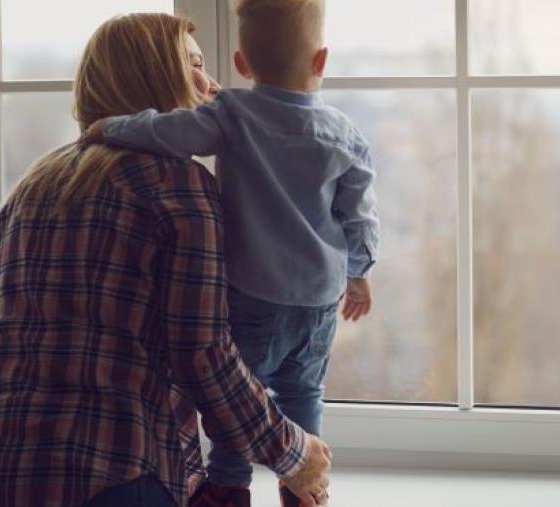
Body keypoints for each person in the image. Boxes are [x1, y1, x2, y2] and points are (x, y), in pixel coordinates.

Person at [0, 13, 331, 507]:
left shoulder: (35, 185)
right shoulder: (178, 185)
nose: (213, 86)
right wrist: (295, 453)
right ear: (155, 79)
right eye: (193, 65)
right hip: (108, 472)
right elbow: (203, 354)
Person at [81, 0, 380, 504]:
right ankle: (302, 488)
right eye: (194, 64)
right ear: (321, 61)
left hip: (255, 295)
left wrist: (108, 127)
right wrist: (360, 271)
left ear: (241, 63)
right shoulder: (345, 134)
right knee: (304, 393)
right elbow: (360, 214)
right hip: (319, 302)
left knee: (239, 392)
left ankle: (228, 485)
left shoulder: (233, 115)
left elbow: (164, 131)